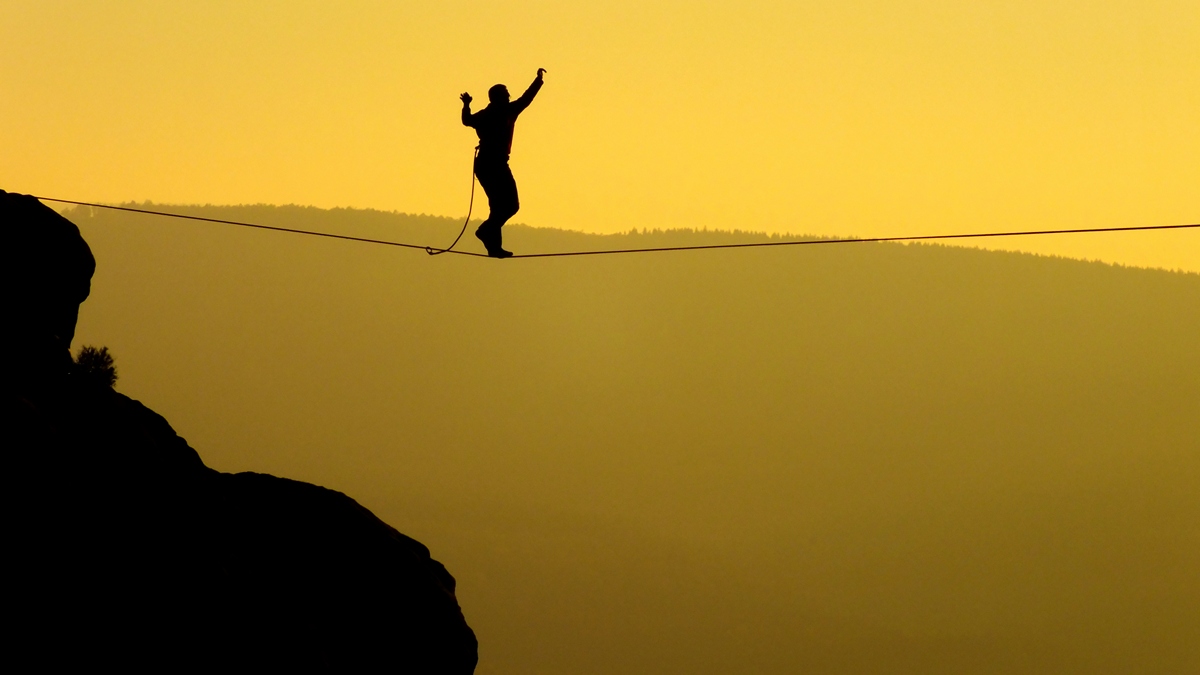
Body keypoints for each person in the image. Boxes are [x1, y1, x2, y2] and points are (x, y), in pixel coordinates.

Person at [460, 68, 545, 258]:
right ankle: (486, 233)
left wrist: (466, 105)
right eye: (506, 94)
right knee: (510, 206)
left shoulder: (487, 114)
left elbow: (466, 120)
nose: (509, 97)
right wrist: (538, 81)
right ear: (497, 97)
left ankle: (493, 246)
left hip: (487, 164)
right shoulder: (507, 111)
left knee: (500, 207)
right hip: (493, 164)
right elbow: (526, 99)